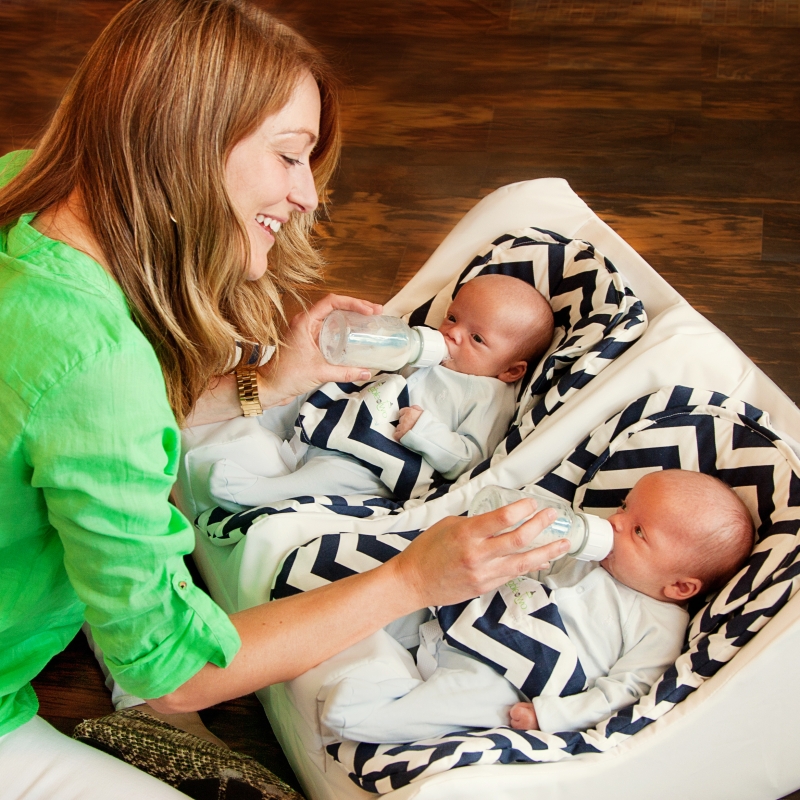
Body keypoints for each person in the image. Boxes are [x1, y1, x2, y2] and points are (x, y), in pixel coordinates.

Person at [0, 1, 571, 798]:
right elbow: (173, 670)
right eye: (290, 156)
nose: (306, 194)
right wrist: (412, 580)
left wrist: (272, 383)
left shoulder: (26, 189)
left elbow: (63, 428)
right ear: (185, 143)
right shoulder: (100, 365)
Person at [316, 470, 755, 743]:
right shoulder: (586, 557)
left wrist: (551, 715)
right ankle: (354, 649)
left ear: (679, 586)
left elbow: (624, 694)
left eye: (638, 531)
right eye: (624, 508)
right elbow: (525, 574)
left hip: (513, 678)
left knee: (443, 704)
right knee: (379, 606)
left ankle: (363, 707)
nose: (614, 522)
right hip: (471, 616)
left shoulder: (659, 625)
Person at [208, 274, 555, 510]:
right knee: (306, 389)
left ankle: (264, 492)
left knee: (339, 475)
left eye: (476, 338)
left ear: (511, 370)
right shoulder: (427, 351)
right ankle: (260, 409)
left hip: (379, 460)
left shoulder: (488, 395)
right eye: (452, 318)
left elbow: (470, 457)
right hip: (352, 412)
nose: (452, 335)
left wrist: (424, 431)